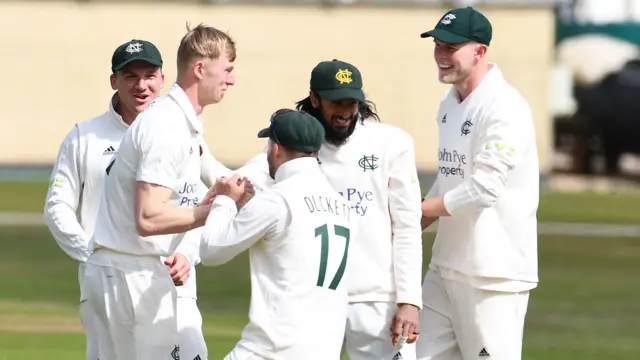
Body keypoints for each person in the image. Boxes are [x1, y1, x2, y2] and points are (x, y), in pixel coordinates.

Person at [240, 60, 424, 360]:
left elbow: (407, 225)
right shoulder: (294, 140)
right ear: (315, 99)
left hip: (377, 300)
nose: (345, 112)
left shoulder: (392, 142)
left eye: (352, 102)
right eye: (336, 102)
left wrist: (409, 301)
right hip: (314, 301)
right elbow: (243, 181)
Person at [82, 24, 237, 360]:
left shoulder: (182, 123)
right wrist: (211, 212)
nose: (231, 79)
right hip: (130, 274)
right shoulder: (166, 125)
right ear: (200, 68)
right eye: (227, 69)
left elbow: (223, 181)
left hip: (142, 271)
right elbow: (148, 216)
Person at [418, 6, 539, 360]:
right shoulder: (450, 102)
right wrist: (411, 222)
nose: (441, 55)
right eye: (438, 45)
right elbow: (450, 175)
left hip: (493, 275)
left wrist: (420, 210)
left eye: (450, 47)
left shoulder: (505, 107)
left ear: (480, 51)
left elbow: (484, 189)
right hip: (445, 266)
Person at [199, 109, 359, 360]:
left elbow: (211, 251)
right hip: (326, 350)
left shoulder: (277, 200)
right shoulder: (344, 208)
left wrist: (225, 200)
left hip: (271, 351)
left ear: (276, 149)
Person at [44, 39, 165, 360]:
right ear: (114, 81)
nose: (141, 85)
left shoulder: (179, 134)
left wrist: (188, 255)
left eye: (149, 75)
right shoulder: (84, 136)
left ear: (162, 79)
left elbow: (194, 201)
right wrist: (91, 252)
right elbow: (58, 205)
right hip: (105, 280)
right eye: (130, 76)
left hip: (166, 281)